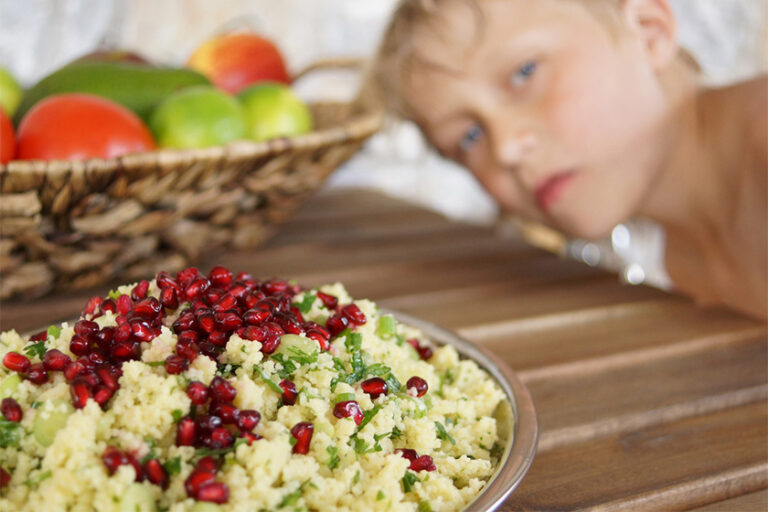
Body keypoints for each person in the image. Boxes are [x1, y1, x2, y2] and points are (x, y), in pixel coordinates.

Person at [368, 0, 767, 320]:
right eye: (469, 137)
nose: (505, 148)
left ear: (648, 32)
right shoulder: (652, 247)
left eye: (524, 72)